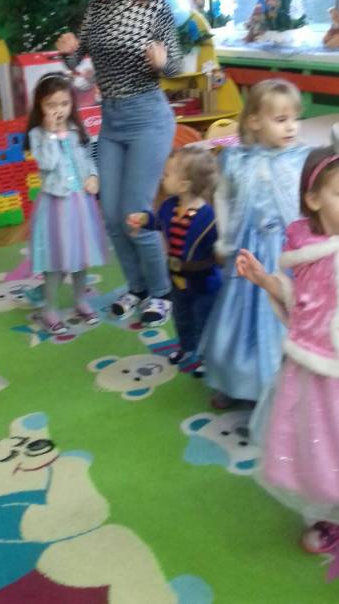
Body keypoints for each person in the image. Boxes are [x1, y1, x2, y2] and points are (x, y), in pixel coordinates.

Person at [56, 0, 182, 327]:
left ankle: (162, 293)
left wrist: (162, 62)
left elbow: (175, 66)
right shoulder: (97, 8)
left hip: (148, 119)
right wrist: (69, 50)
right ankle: (137, 287)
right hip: (111, 121)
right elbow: (77, 62)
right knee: (111, 216)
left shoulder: (154, 8)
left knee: (134, 213)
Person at [237, 139, 339, 556]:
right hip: (312, 372)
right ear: (314, 200)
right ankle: (324, 515)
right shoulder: (308, 253)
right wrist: (266, 281)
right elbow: (303, 307)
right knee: (313, 446)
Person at [199, 79, 309, 408]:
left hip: (285, 253)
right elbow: (222, 195)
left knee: (280, 314)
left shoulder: (302, 158)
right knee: (237, 315)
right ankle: (231, 379)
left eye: (295, 118)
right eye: (281, 120)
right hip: (247, 249)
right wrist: (224, 239)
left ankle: (278, 387)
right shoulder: (236, 159)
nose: (291, 127)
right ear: (255, 121)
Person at [127, 146, 221, 373]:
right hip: (177, 279)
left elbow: (221, 247)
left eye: (167, 174)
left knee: (204, 321)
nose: (162, 177)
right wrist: (144, 219)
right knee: (181, 317)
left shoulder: (209, 217)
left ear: (184, 185)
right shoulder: (169, 206)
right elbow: (159, 223)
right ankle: (186, 347)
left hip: (204, 282)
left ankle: (205, 358)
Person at [26, 73, 107, 335]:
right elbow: (47, 164)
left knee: (81, 256)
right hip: (55, 207)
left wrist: (93, 176)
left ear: (72, 103)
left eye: (64, 104)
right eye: (51, 105)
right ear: (40, 106)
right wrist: (51, 135)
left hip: (80, 204)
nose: (58, 110)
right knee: (55, 259)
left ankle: (80, 300)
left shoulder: (75, 130)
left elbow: (88, 159)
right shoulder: (37, 134)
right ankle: (49, 308)